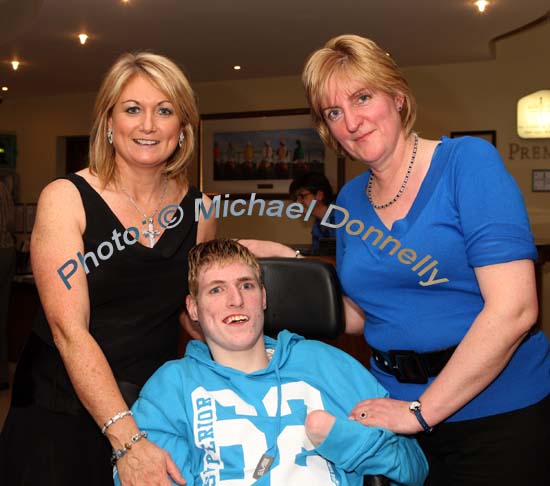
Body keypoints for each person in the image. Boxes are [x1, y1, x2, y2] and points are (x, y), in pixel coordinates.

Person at [301, 34, 550, 486]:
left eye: (362, 98)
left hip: (496, 412)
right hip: (391, 410)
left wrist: (420, 412)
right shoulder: (351, 200)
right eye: (334, 112)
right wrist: (274, 281)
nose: (352, 121)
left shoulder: (466, 162)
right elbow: (361, 313)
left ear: (397, 97)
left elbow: (515, 309)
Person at [0, 52, 216, 485]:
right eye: (132, 109)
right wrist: (126, 440)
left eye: (165, 110)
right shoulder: (66, 197)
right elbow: (68, 329)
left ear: (184, 129)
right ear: (108, 124)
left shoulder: (202, 209)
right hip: (60, 408)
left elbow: (188, 314)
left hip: (149, 405)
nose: (148, 125)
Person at [114, 238, 428, 486]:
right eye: (216, 289)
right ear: (193, 308)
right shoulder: (171, 388)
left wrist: (341, 439)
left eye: (246, 285)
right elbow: (139, 475)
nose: (235, 300)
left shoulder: (326, 364)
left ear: (264, 297)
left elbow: (414, 468)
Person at [289, 171, 336, 253]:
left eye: (302, 196)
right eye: (296, 198)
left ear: (319, 195)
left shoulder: (342, 217)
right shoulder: (317, 224)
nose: (298, 203)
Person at [0, 179, 16, 390]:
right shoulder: (3, 186)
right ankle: (2, 376)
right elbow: (12, 223)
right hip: (8, 250)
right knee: (2, 318)